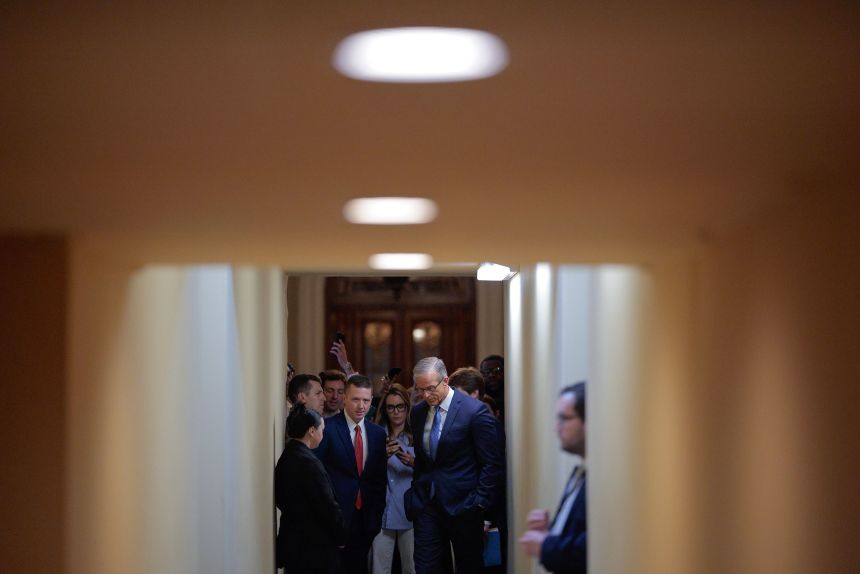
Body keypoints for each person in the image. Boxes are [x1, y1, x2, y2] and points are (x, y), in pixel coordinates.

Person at [406, 357, 503, 574]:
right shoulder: (419, 412)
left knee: (468, 567)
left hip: (464, 507)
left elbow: (491, 463)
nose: (425, 395)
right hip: (427, 505)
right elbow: (424, 459)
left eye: (430, 388)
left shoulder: (474, 412)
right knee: (425, 567)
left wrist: (479, 503)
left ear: (446, 381)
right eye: (420, 390)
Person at [315, 375, 388, 574]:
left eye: (366, 400)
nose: (361, 406)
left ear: (371, 400)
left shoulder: (377, 433)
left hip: (366, 519)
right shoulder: (327, 428)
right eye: (356, 399)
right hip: (335, 519)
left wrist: (376, 517)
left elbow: (379, 479)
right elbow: (318, 475)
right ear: (345, 399)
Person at [519, 382, 587, 574]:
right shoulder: (579, 473)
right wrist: (553, 530)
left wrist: (546, 545)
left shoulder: (602, 482)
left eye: (564, 419)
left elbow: (593, 547)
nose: (556, 428)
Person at [448, 367, 507, 573]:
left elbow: (493, 468)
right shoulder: (458, 420)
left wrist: (481, 507)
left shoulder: (487, 423)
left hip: (477, 510)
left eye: (458, 395)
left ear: (474, 394)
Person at [274, 404, 347, 573]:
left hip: (294, 541)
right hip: (313, 546)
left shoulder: (288, 456)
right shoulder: (308, 462)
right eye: (322, 429)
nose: (323, 433)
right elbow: (327, 505)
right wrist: (340, 535)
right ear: (312, 431)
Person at [371, 384, 417, 574]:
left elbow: (434, 470)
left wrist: (414, 463)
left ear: (407, 407)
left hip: (410, 512)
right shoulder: (376, 435)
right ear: (385, 410)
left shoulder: (417, 435)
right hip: (382, 511)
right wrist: (381, 458)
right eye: (391, 407)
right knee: (379, 568)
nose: (396, 412)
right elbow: (363, 471)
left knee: (411, 567)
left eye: (400, 406)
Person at [479, 355, 505, 420]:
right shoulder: (478, 397)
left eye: (497, 370)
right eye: (487, 372)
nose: (491, 375)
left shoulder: (514, 397)